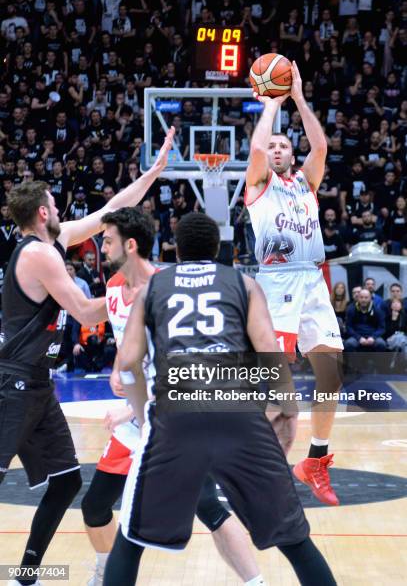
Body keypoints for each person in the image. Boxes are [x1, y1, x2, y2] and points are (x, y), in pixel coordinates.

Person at [103, 212, 336, 586]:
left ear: (175, 250)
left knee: (130, 540)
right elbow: (268, 353)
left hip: (175, 417)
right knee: (295, 539)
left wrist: (144, 414)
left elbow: (128, 363)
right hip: (238, 415)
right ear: (218, 249)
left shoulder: (152, 290)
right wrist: (287, 415)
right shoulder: (243, 284)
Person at [0, 128, 175, 586]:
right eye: (55, 205)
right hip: (12, 381)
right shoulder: (39, 254)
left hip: (39, 382)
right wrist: (129, 290)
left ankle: (26, 574)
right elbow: (83, 310)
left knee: (67, 482)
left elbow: (108, 212)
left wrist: (153, 173)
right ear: (43, 213)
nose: (61, 210)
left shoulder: (53, 241)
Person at [81, 207, 268, 586]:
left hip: (169, 413)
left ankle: (255, 581)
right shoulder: (115, 286)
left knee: (207, 506)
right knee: (95, 504)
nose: (102, 245)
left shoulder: (169, 284)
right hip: (138, 413)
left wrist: (138, 406)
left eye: (108, 239)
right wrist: (121, 369)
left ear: (130, 245)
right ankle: (104, 570)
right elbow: (126, 339)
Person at [245, 61, 343, 506]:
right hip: (277, 282)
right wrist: (270, 104)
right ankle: (254, 467)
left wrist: (299, 99)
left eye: (286, 145)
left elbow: (320, 146)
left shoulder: (305, 183)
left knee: (331, 371)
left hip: (312, 280)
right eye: (275, 146)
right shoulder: (259, 186)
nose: (279, 149)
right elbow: (255, 151)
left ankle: (314, 461)